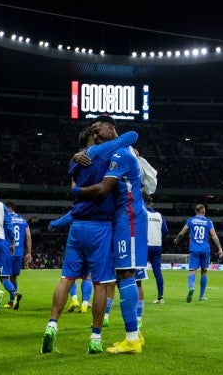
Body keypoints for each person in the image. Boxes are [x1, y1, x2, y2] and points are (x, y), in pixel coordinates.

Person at [41, 125, 138, 354]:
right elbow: (131, 136)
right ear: (95, 137)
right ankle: (95, 338)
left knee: (66, 278)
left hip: (77, 226)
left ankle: (51, 325)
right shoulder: (105, 153)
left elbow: (73, 184)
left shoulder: (75, 161)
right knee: (101, 284)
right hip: (100, 227)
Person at [71, 115, 148, 354]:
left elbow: (103, 188)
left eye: (97, 129)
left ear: (110, 129)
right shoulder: (115, 153)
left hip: (130, 219)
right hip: (123, 219)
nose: (95, 133)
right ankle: (135, 334)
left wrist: (75, 191)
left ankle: (132, 338)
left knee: (126, 274)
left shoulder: (121, 154)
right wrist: (77, 155)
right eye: (93, 131)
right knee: (123, 274)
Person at [173, 203, 223, 303]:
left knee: (192, 271)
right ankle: (201, 296)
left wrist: (176, 239)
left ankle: (191, 288)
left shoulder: (190, 220)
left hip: (194, 249)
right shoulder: (208, 222)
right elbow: (214, 236)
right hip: (205, 249)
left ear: (195, 211)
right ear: (204, 211)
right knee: (204, 272)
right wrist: (220, 248)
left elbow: (182, 233)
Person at [2, 201, 32, 309]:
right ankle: (11, 302)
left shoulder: (5, 219)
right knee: (13, 278)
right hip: (19, 253)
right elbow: (28, 236)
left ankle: (15, 294)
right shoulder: (23, 220)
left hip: (7, 251)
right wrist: (28, 253)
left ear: (9, 208)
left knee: (3, 278)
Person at [146, 195, 169, 304]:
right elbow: (165, 231)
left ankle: (136, 297)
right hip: (157, 246)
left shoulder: (142, 213)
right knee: (157, 272)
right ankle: (160, 298)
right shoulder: (159, 215)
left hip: (145, 246)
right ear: (152, 203)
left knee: (137, 271)